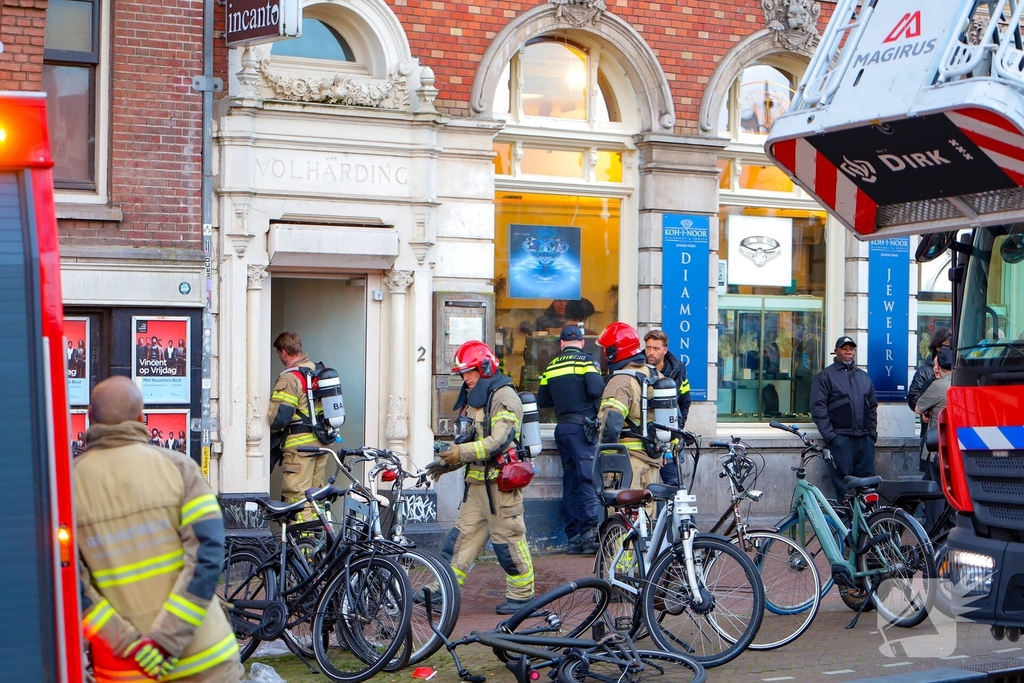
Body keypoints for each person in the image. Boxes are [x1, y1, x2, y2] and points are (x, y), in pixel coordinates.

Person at [75, 376, 242, 683]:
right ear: (141, 417)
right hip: (206, 659)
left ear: (89, 416)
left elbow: (73, 587)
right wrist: (165, 641)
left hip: (127, 669)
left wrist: (130, 645)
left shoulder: (65, 487)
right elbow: (207, 556)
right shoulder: (181, 468)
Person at [427, 340, 535, 615]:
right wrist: (446, 463)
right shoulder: (475, 399)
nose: (465, 378)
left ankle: (522, 597)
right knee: (459, 541)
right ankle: (443, 590)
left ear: (485, 368)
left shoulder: (504, 397)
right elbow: (468, 442)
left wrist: (457, 453)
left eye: (469, 371)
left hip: (501, 486)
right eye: (462, 373)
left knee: (508, 543)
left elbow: (497, 442)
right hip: (476, 486)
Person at [537, 325, 604, 555]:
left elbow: (543, 400)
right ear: (582, 343)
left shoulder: (551, 366)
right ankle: (590, 535)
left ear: (562, 344)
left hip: (562, 428)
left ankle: (573, 538)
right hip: (582, 430)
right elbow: (596, 390)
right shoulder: (587, 361)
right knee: (587, 480)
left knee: (571, 482)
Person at [596, 322, 664, 518]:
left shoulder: (620, 381)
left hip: (628, 463)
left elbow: (611, 423)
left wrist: (607, 458)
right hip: (652, 461)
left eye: (605, 350)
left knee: (624, 520)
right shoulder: (655, 374)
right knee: (647, 521)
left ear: (613, 352)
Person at [810, 335, 878, 500]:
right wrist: (832, 437)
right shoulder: (825, 376)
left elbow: (872, 407)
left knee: (868, 486)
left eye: (851, 349)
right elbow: (818, 408)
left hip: (864, 440)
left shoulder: (863, 377)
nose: (848, 352)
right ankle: (847, 517)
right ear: (836, 351)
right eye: (844, 348)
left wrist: (871, 435)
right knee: (844, 488)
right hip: (841, 440)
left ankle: (865, 517)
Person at [267, 331, 325, 523]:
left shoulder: (290, 378)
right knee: (316, 495)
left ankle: (303, 540)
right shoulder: (318, 371)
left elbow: (278, 418)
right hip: (322, 443)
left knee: (297, 496)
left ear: (283, 352)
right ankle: (318, 537)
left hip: (300, 449)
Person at [643, 329, 692, 486]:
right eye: (648, 347)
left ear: (665, 350)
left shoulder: (677, 370)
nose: (651, 352)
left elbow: (684, 402)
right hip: (643, 438)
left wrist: (676, 433)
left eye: (656, 348)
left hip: (669, 438)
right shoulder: (638, 368)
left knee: (674, 485)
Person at [915, 347, 953, 531]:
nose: (934, 367)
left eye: (936, 364)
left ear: (939, 366)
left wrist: (928, 409)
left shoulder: (938, 386)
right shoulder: (959, 382)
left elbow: (918, 407)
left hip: (936, 448)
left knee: (934, 492)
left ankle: (933, 531)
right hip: (954, 447)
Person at [907, 327, 951, 474]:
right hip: (931, 430)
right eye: (946, 345)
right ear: (937, 346)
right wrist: (925, 411)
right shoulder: (925, 371)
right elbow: (914, 398)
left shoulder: (954, 372)